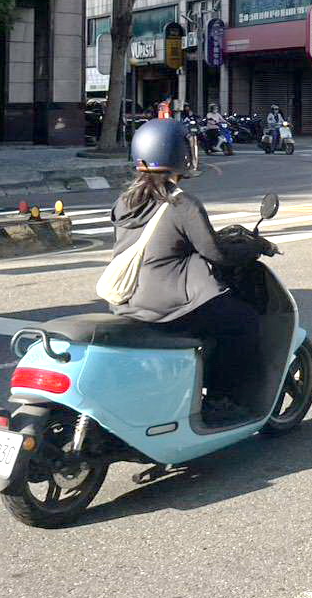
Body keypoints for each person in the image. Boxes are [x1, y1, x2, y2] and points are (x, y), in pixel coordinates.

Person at [110, 118, 264, 424]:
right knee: (242, 322)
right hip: (167, 307)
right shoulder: (182, 204)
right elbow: (216, 253)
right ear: (179, 154)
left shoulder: (125, 202)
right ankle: (221, 401)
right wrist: (255, 248)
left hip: (126, 300)